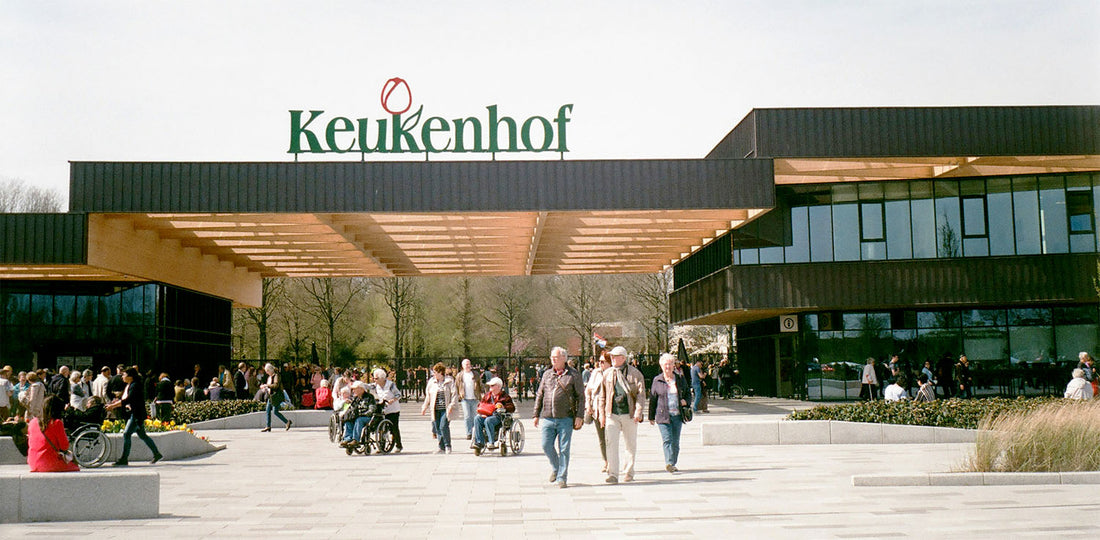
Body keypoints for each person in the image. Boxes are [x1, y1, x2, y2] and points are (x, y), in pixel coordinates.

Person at [533, 346, 584, 489]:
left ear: (564, 358)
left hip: (565, 418)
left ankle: (562, 477)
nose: (553, 360)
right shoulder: (547, 374)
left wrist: (580, 416)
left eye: (555, 358)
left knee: (564, 448)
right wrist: (536, 414)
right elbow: (540, 394)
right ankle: (556, 467)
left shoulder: (573, 375)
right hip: (548, 417)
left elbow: (581, 397)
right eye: (551, 358)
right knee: (546, 445)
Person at [598, 346, 646, 484]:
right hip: (612, 414)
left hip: (629, 414)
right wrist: (602, 414)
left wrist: (638, 411)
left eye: (615, 356)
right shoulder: (607, 374)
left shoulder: (635, 374)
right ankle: (613, 473)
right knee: (611, 443)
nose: (612, 358)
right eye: (611, 356)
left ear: (623, 358)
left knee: (630, 444)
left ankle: (628, 472)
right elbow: (603, 395)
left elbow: (641, 395)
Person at [106, 367, 163, 466]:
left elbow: (128, 400)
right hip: (135, 414)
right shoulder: (130, 385)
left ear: (130, 377)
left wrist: (112, 406)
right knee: (142, 435)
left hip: (136, 415)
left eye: (124, 375)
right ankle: (157, 453)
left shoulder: (135, 386)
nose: (122, 376)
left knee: (127, 434)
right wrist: (115, 402)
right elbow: (125, 399)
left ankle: (124, 458)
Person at [649, 353, 689, 473]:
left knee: (675, 442)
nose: (668, 367)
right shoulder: (657, 380)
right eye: (666, 364)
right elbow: (653, 399)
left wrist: (685, 401)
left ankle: (673, 462)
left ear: (674, 366)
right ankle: (669, 462)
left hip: (677, 415)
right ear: (661, 366)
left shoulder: (680, 379)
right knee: (667, 440)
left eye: (670, 364)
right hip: (663, 415)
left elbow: (688, 393)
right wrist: (651, 416)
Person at [27, 395, 80, 473]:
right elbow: (64, 446)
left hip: (33, 463)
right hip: (50, 463)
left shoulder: (32, 422)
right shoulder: (56, 423)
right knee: (75, 467)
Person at [472, 377, 515, 455]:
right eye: (490, 385)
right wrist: (483, 413)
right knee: (477, 418)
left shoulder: (505, 397)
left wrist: (503, 407)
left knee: (489, 420)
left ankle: (491, 442)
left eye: (492, 385)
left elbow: (512, 408)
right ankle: (479, 442)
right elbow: (481, 405)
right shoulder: (487, 395)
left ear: (498, 386)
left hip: (498, 417)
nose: (490, 387)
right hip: (486, 415)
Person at [421, 362, 457, 454]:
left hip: (445, 408)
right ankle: (441, 447)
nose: (434, 374)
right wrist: (424, 407)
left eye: (435, 372)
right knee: (437, 427)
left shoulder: (449, 381)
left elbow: (454, 394)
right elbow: (428, 396)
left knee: (443, 426)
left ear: (441, 372)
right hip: (435, 408)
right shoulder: (431, 382)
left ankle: (447, 445)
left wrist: (451, 405)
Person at [584, 353, 611, 473]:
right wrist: (588, 404)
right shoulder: (596, 373)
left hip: (610, 409)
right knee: (602, 438)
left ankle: (612, 461)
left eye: (603, 361)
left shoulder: (613, 373)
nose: (600, 364)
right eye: (599, 361)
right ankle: (605, 461)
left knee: (611, 437)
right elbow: (589, 390)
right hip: (596, 409)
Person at [369, 368, 403, 453]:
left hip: (393, 409)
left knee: (394, 428)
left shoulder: (390, 385)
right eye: (374, 378)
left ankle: (399, 445)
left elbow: (399, 394)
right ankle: (381, 446)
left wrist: (393, 400)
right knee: (381, 428)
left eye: (376, 378)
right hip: (382, 409)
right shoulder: (375, 385)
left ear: (382, 378)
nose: (374, 380)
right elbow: (366, 386)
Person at [259, 363, 292, 432]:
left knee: (275, 411)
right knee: (268, 410)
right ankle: (268, 426)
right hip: (271, 396)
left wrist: (267, 385)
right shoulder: (270, 377)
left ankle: (287, 422)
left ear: (270, 370)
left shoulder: (276, 376)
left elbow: (276, 385)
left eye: (267, 371)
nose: (267, 373)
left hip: (276, 396)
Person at [339, 381, 374, 448]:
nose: (353, 390)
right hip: (357, 416)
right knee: (348, 419)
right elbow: (351, 408)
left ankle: (356, 440)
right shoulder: (356, 398)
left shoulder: (369, 397)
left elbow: (372, 409)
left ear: (361, 389)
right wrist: (346, 414)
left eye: (355, 389)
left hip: (366, 417)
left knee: (359, 420)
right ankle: (348, 438)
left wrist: (363, 414)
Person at [457, 358, 483, 441]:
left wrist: (483, 394)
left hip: (475, 398)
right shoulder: (460, 375)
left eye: (469, 364)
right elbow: (456, 386)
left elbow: (480, 384)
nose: (468, 366)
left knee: (475, 416)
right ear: (462, 366)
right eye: (466, 364)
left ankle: (476, 432)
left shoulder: (475, 374)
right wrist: (458, 396)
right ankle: (469, 433)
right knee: (467, 416)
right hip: (465, 399)